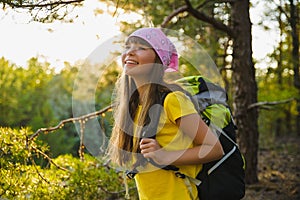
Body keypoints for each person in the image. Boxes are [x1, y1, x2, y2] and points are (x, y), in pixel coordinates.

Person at [107, 27, 224, 200]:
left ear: (158, 60)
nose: (130, 52)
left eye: (141, 47)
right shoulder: (132, 107)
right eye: (128, 46)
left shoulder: (172, 100)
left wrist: (165, 156)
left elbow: (214, 149)